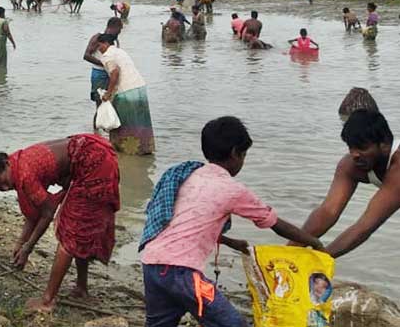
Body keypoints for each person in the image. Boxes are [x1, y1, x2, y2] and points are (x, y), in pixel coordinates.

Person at [140, 117, 324, 327]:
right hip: (183, 274)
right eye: (244, 155)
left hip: (152, 264)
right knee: (233, 324)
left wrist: (230, 242)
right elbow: (275, 223)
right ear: (236, 153)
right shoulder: (232, 190)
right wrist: (314, 241)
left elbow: (185, 225)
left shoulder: (190, 176)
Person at [0, 133, 120, 312]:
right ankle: (81, 288)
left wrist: (28, 248)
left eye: (1, 182)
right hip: (89, 156)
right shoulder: (17, 163)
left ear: (6, 164)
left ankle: (47, 300)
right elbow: (33, 214)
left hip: (94, 163)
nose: (5, 188)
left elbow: (47, 212)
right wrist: (21, 243)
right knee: (79, 228)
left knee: (71, 231)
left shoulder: (24, 174)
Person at [298, 110, 400, 259]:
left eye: (362, 148)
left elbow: (365, 226)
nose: (355, 154)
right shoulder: (351, 165)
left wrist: (318, 260)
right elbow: (327, 212)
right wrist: (287, 253)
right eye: (351, 147)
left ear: (384, 145)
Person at [97, 34, 155, 155]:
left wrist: (108, 93)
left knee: (124, 121)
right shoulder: (120, 52)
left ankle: (128, 150)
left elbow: (114, 73)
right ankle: (145, 148)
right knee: (141, 120)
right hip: (139, 87)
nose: (99, 49)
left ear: (106, 44)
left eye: (99, 46)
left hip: (126, 90)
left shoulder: (107, 56)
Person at [84, 18, 123, 114]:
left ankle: (108, 128)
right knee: (100, 105)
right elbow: (86, 56)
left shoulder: (114, 41)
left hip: (111, 74)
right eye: (119, 29)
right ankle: (96, 128)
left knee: (112, 103)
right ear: (114, 27)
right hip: (99, 74)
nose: (120, 32)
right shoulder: (98, 38)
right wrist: (104, 63)